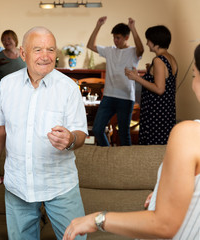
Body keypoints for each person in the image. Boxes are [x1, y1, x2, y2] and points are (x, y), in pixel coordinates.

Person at [63, 44, 200, 240]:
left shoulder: (189, 134)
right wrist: (168, 191)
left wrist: (96, 219)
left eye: (194, 75)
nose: (193, 82)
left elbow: (164, 225)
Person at [0, 26, 88, 240]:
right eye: (38, 50)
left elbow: (81, 134)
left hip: (59, 184)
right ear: (23, 53)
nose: (45, 56)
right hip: (18, 183)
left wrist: (70, 139)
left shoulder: (69, 88)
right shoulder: (6, 85)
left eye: (50, 50)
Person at [87, 16, 144, 146]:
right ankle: (109, 156)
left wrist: (133, 28)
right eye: (114, 37)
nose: (115, 40)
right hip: (108, 96)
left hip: (125, 98)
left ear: (126, 38)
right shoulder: (109, 50)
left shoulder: (133, 52)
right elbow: (90, 45)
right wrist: (98, 26)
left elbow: (141, 49)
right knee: (97, 129)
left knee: (123, 134)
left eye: (118, 38)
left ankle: (125, 164)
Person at [125, 25, 177, 145]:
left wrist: (135, 77)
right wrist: (149, 73)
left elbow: (159, 89)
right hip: (167, 112)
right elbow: (169, 85)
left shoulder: (158, 60)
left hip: (156, 114)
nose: (147, 43)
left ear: (156, 43)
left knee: (151, 149)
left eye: (148, 40)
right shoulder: (171, 59)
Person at [0, 29, 27, 95]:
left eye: (8, 39)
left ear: (15, 39)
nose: (6, 42)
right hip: (4, 95)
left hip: (22, 94)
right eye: (3, 40)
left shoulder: (25, 54)